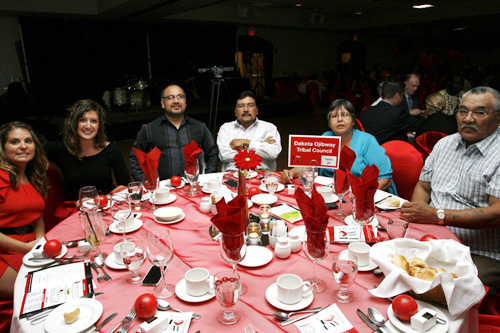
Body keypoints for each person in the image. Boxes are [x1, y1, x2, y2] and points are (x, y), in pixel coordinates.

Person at [401, 87, 500, 294]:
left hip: (480, 251)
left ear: (498, 119)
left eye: (479, 113)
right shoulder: (444, 144)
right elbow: (423, 186)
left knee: (428, 286)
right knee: (389, 265)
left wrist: (438, 216)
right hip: (433, 237)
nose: (468, 119)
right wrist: (417, 221)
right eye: (463, 111)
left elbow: (495, 213)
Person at [282, 99, 396, 194]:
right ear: (329, 124)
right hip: (332, 195)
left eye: (345, 115)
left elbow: (385, 179)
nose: (340, 119)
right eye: (335, 116)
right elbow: (308, 165)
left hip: (364, 196)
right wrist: (291, 173)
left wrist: (361, 197)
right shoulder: (326, 138)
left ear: (353, 121)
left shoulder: (367, 141)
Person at [44, 99, 130, 200]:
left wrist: (98, 201)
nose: (88, 126)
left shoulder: (110, 150)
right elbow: (31, 153)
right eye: (82, 120)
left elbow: (125, 186)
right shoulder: (61, 149)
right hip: (76, 208)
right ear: (74, 123)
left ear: (99, 125)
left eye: (93, 121)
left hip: (106, 204)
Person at [129, 84, 218, 180]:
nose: (176, 101)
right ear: (162, 103)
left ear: (185, 102)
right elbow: (135, 158)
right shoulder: (149, 129)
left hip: (193, 187)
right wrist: (146, 182)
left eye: (180, 97)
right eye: (170, 97)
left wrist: (207, 178)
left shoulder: (199, 127)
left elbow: (212, 153)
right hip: (163, 189)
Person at [0, 122, 48, 299]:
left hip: (29, 245)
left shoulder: (34, 176)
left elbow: (38, 215)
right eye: (14, 142)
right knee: (37, 295)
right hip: (5, 249)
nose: (23, 146)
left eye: (28, 141)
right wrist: (26, 248)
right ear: (3, 148)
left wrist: (40, 241)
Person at [217, 90, 281, 171]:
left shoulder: (269, 128)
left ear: (257, 110)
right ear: (235, 111)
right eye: (241, 106)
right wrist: (261, 146)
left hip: (262, 175)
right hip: (233, 175)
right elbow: (224, 156)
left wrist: (247, 142)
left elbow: (273, 154)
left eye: (250, 105)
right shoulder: (226, 128)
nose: (246, 109)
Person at [360, 78, 423, 145]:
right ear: (397, 96)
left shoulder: (366, 112)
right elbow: (419, 124)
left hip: (369, 150)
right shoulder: (396, 113)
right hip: (389, 152)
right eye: (402, 96)